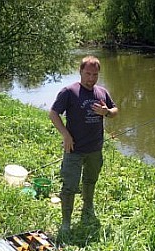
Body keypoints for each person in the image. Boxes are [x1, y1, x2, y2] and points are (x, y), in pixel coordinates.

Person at [49, 55, 118, 233]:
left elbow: (115, 110)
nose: (91, 78)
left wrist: (107, 112)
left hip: (95, 148)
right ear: (80, 72)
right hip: (74, 149)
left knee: (90, 179)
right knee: (70, 185)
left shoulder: (102, 92)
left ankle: (88, 208)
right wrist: (66, 135)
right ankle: (66, 222)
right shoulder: (69, 92)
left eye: (95, 75)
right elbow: (54, 114)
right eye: (87, 74)